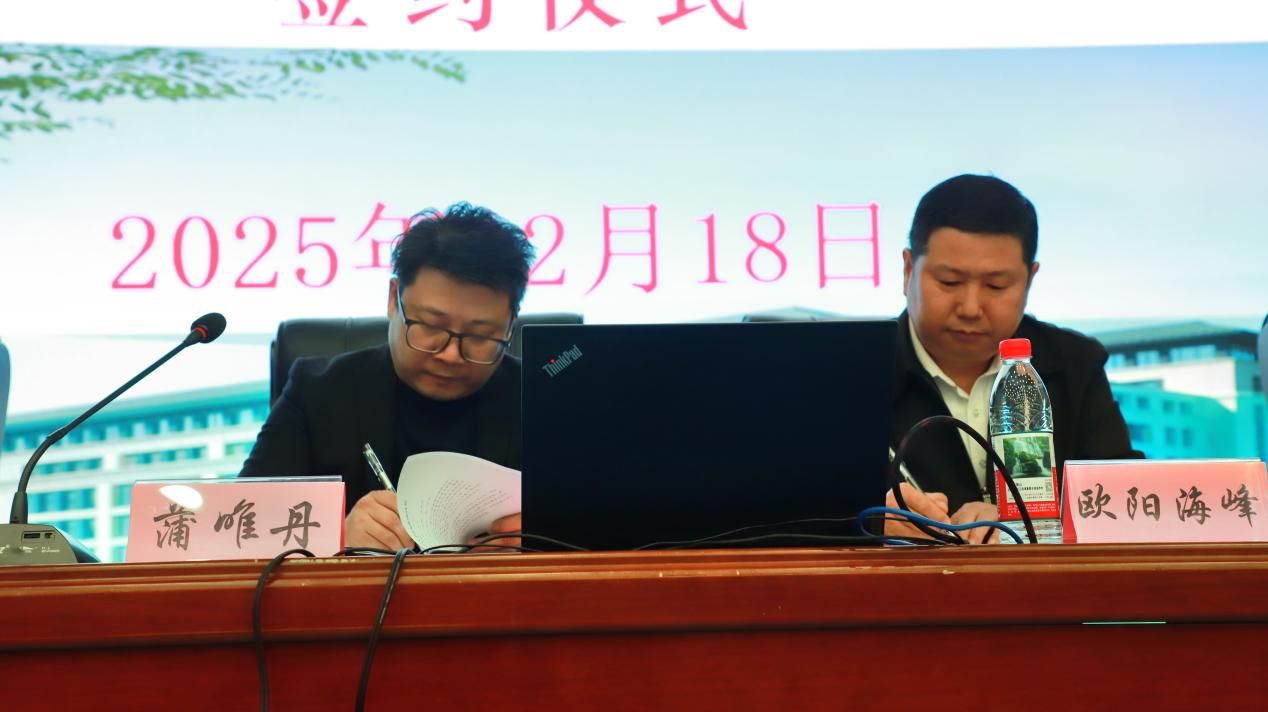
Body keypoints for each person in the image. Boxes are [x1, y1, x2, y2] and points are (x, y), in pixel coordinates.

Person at [240, 202, 533, 550]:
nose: (451, 354)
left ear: (510, 325)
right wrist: (334, 540)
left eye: (480, 336)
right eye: (431, 326)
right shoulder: (319, 392)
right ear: (394, 300)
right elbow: (241, 528)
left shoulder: (542, 402)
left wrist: (539, 544)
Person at [886, 174, 1140, 543]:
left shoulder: (1073, 363)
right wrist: (864, 520)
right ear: (908, 270)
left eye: (996, 286)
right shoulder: (853, 371)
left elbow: (1125, 501)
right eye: (949, 282)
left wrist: (1024, 524)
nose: (970, 307)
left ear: (1030, 279)